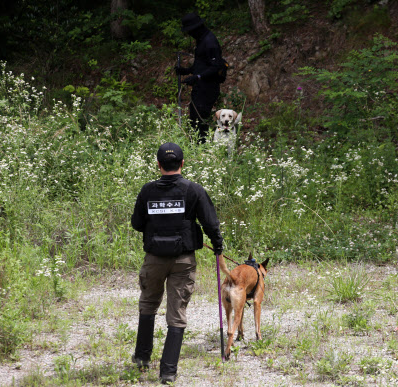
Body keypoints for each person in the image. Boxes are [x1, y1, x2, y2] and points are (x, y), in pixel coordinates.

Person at [130, 142, 223, 384]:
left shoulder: (147, 191)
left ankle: (141, 359)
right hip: (183, 260)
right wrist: (218, 246)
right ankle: (168, 372)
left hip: (154, 260)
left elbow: (137, 224)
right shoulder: (194, 190)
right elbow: (211, 224)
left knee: (148, 305)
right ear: (182, 164)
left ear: (158, 165)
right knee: (177, 313)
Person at [176, 12, 224, 143]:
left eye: (190, 31)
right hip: (200, 88)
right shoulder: (201, 40)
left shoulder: (210, 42)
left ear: (197, 28)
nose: (189, 34)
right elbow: (202, 64)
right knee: (194, 119)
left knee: (200, 122)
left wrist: (197, 77)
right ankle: (196, 147)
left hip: (208, 89)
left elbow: (216, 66)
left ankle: (202, 149)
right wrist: (186, 71)